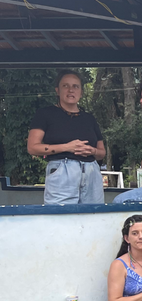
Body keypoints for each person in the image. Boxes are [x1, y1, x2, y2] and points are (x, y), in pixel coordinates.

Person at [27, 70, 106, 205]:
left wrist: (92, 151)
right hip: (62, 171)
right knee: (61, 215)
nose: (71, 90)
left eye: (75, 86)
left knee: (94, 214)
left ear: (81, 92)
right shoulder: (45, 114)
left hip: (91, 172)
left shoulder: (89, 118)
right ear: (57, 90)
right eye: (65, 86)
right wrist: (67, 147)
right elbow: (32, 148)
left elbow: (102, 153)